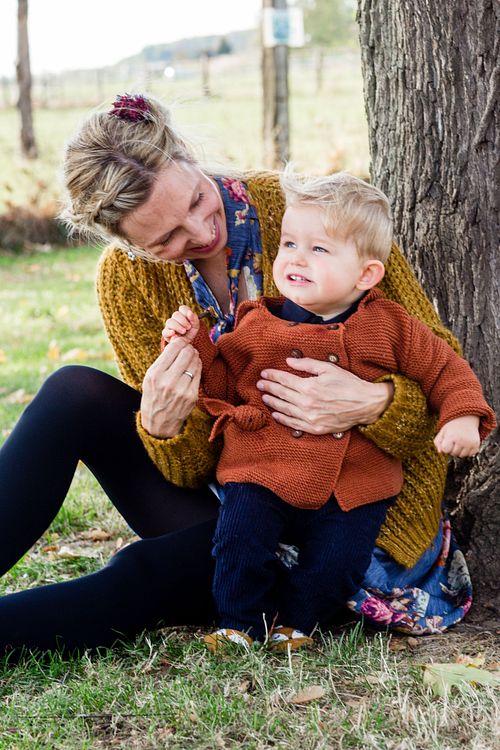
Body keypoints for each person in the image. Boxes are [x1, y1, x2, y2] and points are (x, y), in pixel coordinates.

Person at [0, 94, 479, 656]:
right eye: (165, 239)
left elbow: (441, 368)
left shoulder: (314, 215)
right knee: (71, 392)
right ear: (129, 244)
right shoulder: (126, 281)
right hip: (244, 498)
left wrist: (375, 402)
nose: (199, 232)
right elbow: (188, 472)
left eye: (197, 200)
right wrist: (163, 427)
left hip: (346, 517)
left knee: (147, 572)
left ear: (186, 154)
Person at [163, 170, 495, 651]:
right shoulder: (256, 323)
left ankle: (298, 624)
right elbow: (220, 384)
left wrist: (462, 416)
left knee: (337, 561)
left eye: (319, 249)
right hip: (261, 467)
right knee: (238, 539)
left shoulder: (390, 326)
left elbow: (445, 369)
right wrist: (193, 343)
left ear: (366, 274)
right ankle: (240, 624)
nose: (297, 258)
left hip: (355, 482)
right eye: (289, 244)